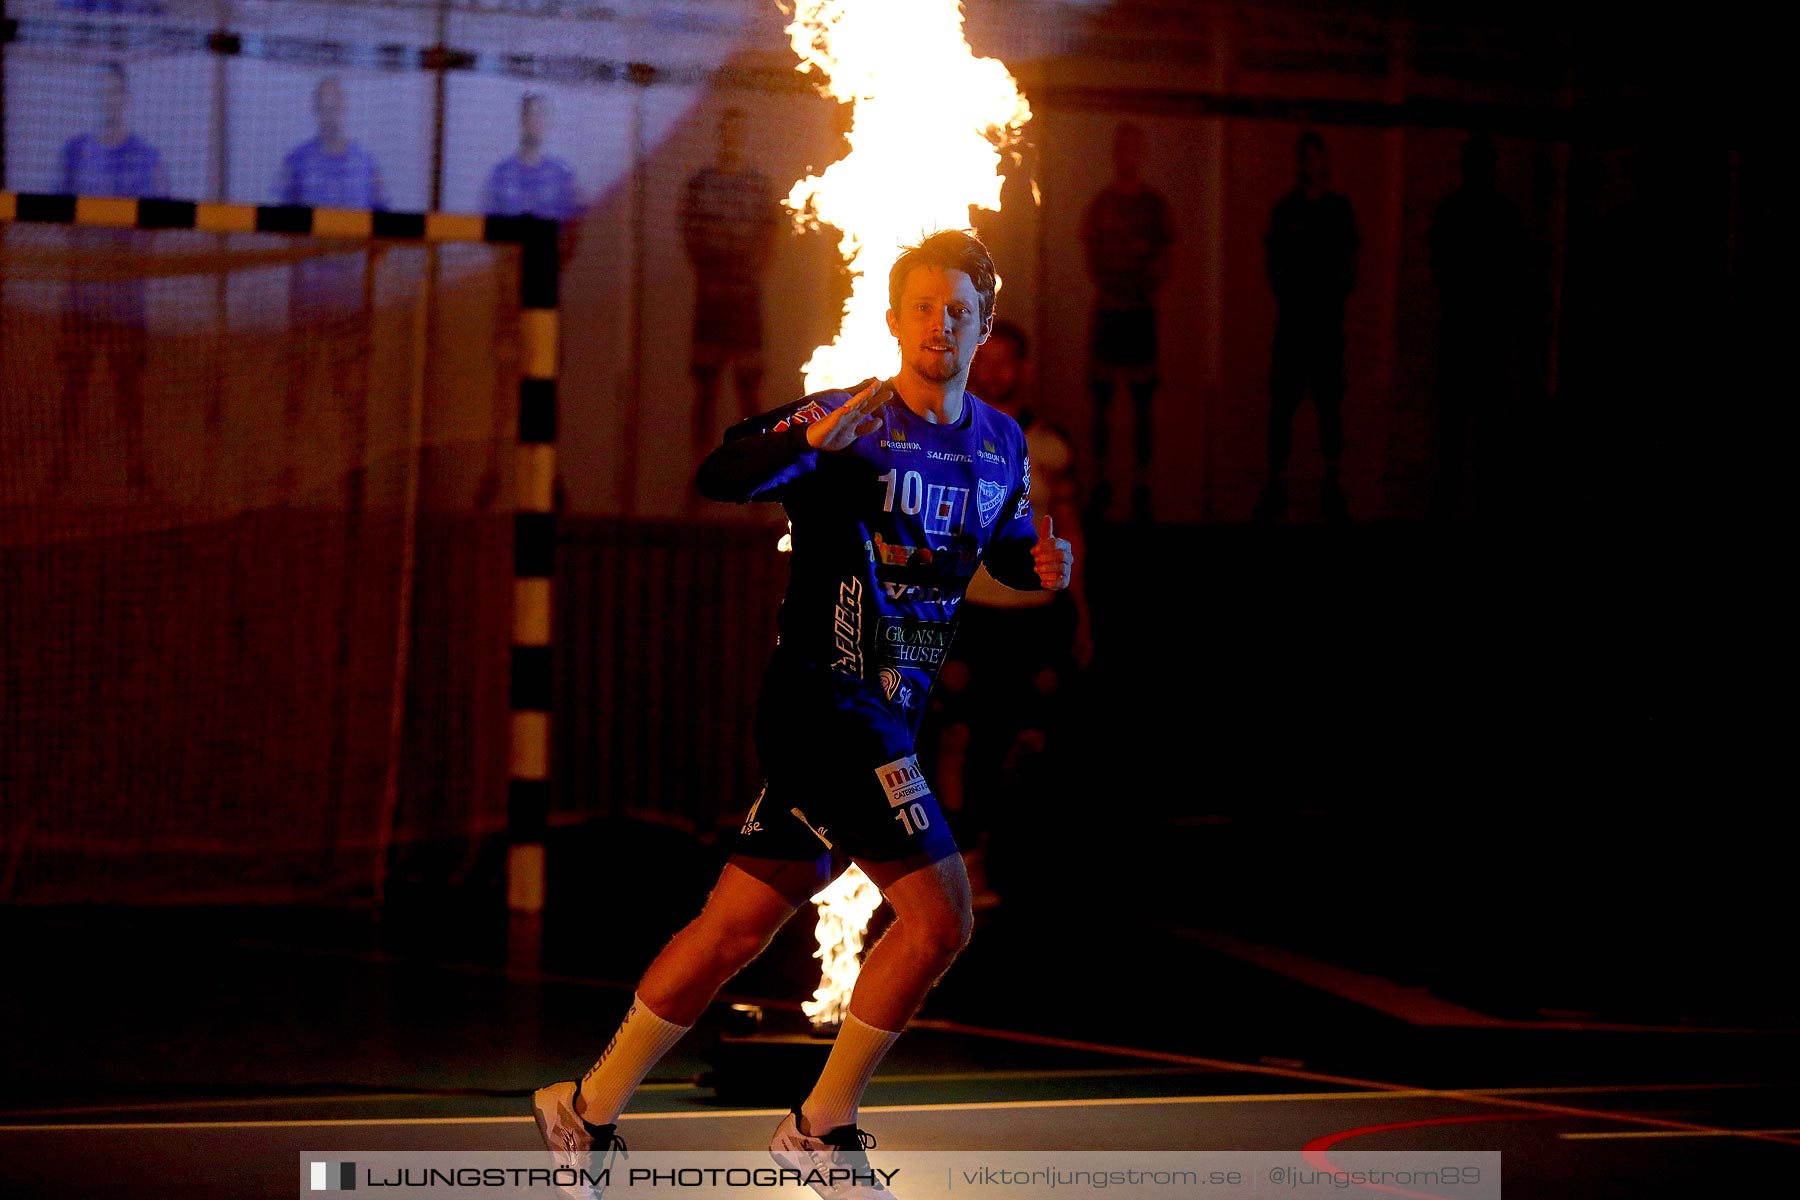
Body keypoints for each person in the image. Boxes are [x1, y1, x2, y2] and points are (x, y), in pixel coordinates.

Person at [531, 230, 1072, 1200]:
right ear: (895, 319)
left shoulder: (1001, 443)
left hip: (892, 715)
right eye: (921, 306)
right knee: (942, 919)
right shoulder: (850, 419)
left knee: (734, 928)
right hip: (827, 703)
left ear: (985, 325)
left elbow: (1003, 549)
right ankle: (822, 1127)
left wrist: (1036, 565)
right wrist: (802, 444)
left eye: (959, 309)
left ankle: (584, 1106)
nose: (939, 323)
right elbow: (719, 473)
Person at [927, 317, 1092, 908]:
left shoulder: (1048, 443)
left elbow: (1068, 527)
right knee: (959, 735)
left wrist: (1079, 609)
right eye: (984, 359)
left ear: (1023, 368)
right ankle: (958, 865)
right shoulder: (947, 436)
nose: (994, 371)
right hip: (970, 610)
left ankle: (1012, 859)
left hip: (1034, 612)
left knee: (1025, 738)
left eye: (1006, 361)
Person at [48, 61, 169, 493]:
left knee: (129, 393)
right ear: (95, 98)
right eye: (101, 92)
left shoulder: (147, 158)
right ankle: (59, 473)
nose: (108, 99)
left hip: (125, 303)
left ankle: (138, 475)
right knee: (72, 391)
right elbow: (62, 222)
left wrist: (121, 247)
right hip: (81, 298)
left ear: (125, 98)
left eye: (115, 91)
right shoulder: (74, 153)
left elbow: (156, 230)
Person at [273, 76, 388, 498]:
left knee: (350, 394)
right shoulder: (297, 163)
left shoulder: (365, 165)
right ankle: (288, 469)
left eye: (337, 104)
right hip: (304, 303)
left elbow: (384, 233)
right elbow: (275, 230)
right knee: (296, 391)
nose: (331, 112)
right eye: (324, 105)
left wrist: (358, 270)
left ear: (346, 109)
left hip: (348, 307)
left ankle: (353, 476)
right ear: (314, 111)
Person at [1255, 130, 1359, 525]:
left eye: (1314, 157)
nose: (1309, 165)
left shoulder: (1338, 210)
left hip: (1326, 326)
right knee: (1283, 402)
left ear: (1323, 162)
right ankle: (1275, 477)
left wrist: (1330, 297)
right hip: (1294, 325)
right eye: (1304, 158)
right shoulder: (1287, 210)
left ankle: (1332, 474)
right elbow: (1273, 262)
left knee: (1329, 402)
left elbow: (1351, 264)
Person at [1427, 132, 1527, 522]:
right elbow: (1514, 276)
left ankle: (1453, 510)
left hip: (1466, 338)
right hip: (1487, 341)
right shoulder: (1502, 213)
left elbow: (1442, 270)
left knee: (1457, 441)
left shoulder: (1455, 211)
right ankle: (1481, 511)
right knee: (1482, 441)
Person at [1080, 121, 1175, 524]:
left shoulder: (1154, 206)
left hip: (1139, 316)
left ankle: (1142, 482)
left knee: (1142, 404)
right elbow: (1090, 253)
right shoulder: (1101, 205)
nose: (1127, 154)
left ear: (1141, 153)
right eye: (1122, 146)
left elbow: (1167, 256)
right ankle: (1102, 479)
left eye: (1134, 147)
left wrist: (1145, 288)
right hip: (1108, 313)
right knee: (1101, 403)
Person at [680, 107, 782, 468]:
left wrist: (748, 274)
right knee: (705, 387)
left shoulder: (758, 186)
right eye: (728, 133)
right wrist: (712, 273)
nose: (733, 140)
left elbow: (771, 236)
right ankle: (700, 469)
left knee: (749, 388)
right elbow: (689, 233)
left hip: (746, 301)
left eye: (740, 133)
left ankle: (754, 470)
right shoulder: (701, 184)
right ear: (720, 137)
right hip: (711, 299)